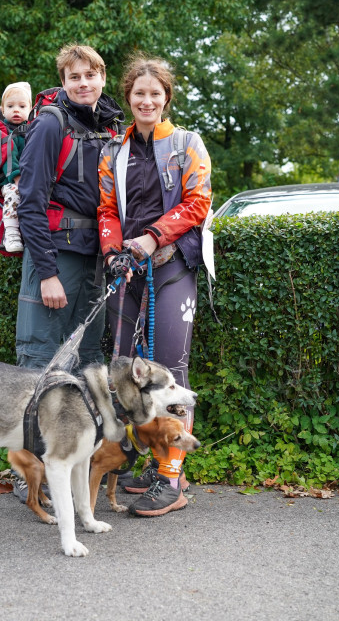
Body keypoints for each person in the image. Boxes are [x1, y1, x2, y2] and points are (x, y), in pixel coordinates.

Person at [97, 55, 212, 517]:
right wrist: (112, 250)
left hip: (172, 266)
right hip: (126, 269)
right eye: (139, 94)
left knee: (171, 370)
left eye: (155, 94)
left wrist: (151, 237)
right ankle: (153, 459)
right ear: (128, 97)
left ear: (166, 98)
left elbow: (198, 202)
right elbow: (106, 209)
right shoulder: (113, 152)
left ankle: (172, 477)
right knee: (125, 372)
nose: (147, 101)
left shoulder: (187, 144)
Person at [15, 44, 125, 369]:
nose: (83, 83)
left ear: (103, 78)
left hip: (96, 260)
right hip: (55, 258)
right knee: (39, 361)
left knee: (90, 360)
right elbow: (30, 203)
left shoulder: (112, 128)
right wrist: (47, 274)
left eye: (90, 75)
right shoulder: (51, 125)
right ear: (63, 82)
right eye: (73, 77)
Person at [0, 81, 33, 253]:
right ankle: (11, 232)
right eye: (10, 106)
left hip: (32, 178)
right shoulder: (6, 132)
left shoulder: (33, 130)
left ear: (30, 109)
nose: (16, 110)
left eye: (22, 106)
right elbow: (8, 158)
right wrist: (18, 178)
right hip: (12, 179)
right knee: (14, 192)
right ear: (3, 110)